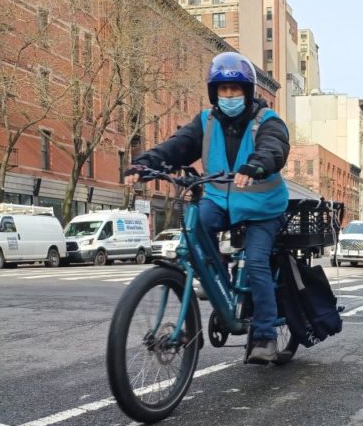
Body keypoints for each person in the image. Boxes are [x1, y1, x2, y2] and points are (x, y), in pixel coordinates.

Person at [124, 52, 290, 364]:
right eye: (223, 90)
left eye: (235, 89)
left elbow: (275, 148)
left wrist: (256, 164)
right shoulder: (206, 121)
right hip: (220, 201)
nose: (229, 95)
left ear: (248, 92)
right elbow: (176, 147)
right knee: (195, 229)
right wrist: (145, 164)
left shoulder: (267, 121)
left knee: (255, 262)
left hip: (262, 207)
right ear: (215, 93)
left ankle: (265, 335)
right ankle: (216, 288)